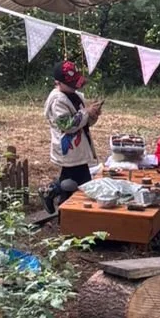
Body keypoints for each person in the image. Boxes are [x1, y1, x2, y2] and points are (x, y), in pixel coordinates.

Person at [43, 59, 103, 210]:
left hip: (80, 147)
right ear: (58, 83)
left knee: (75, 181)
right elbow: (67, 126)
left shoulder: (76, 96)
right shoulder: (57, 101)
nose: (74, 87)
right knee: (76, 182)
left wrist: (92, 115)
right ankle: (65, 208)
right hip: (68, 149)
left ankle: (55, 196)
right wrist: (85, 112)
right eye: (70, 84)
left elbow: (84, 123)